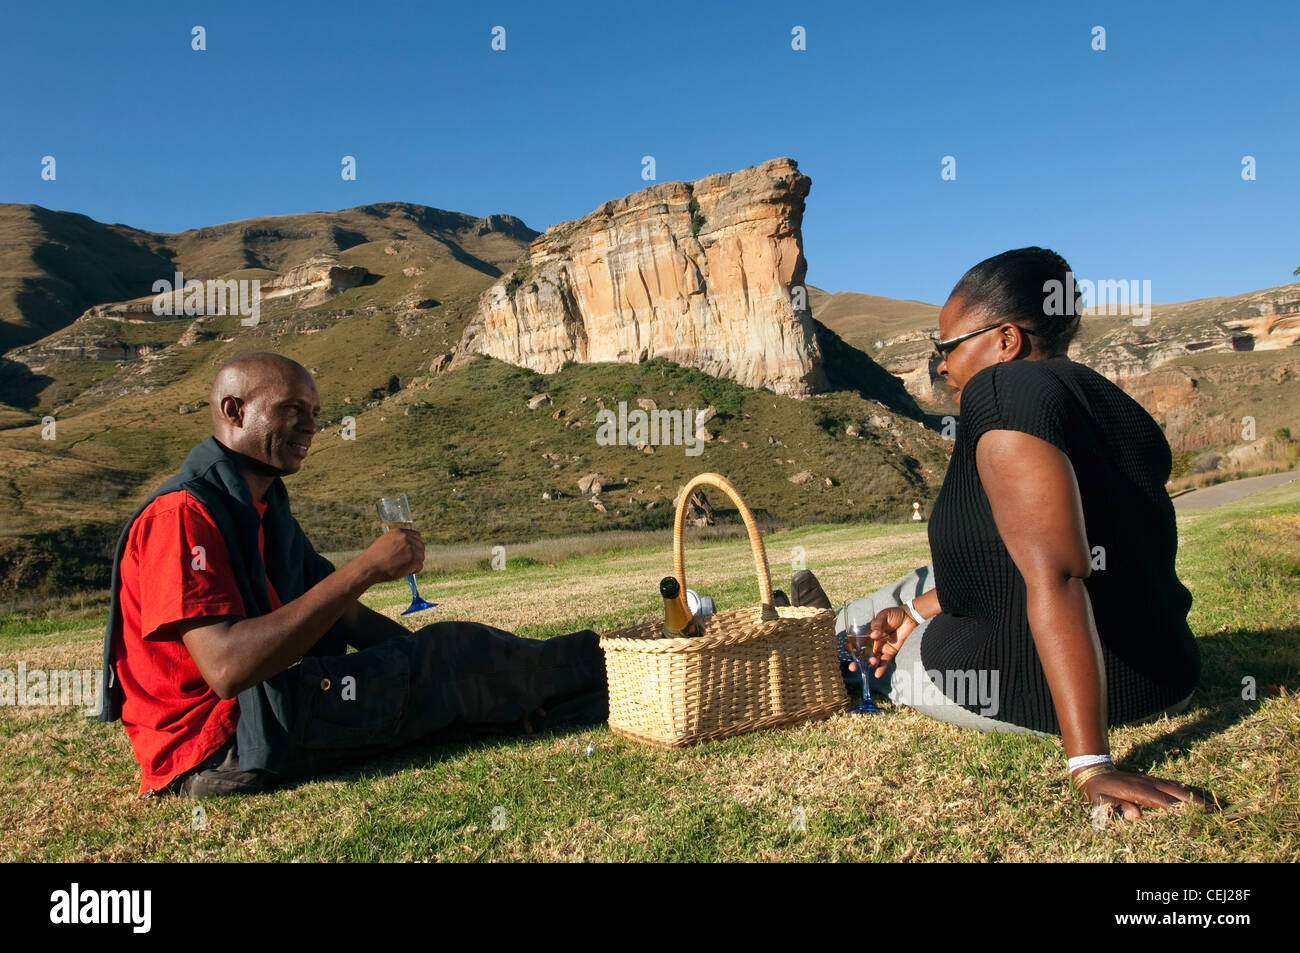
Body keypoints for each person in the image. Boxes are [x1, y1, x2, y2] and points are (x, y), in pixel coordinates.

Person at [811, 247, 1212, 821]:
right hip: (1168, 679)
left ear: (1005, 340)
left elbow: (1057, 573)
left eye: (946, 349)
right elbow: (1019, 553)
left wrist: (1092, 766)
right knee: (911, 594)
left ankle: (811, 635)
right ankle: (834, 618)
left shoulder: (1000, 393)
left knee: (863, 652)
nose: (942, 367)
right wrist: (919, 612)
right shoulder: (1114, 405)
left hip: (1036, 690)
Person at [98, 352, 608, 800]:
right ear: (235, 411)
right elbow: (227, 669)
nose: (310, 426)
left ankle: (602, 675)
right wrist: (366, 569)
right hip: (220, 745)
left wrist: (436, 664)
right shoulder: (183, 514)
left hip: (266, 715)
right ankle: (618, 666)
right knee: (454, 660)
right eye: (292, 409)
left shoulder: (263, 506)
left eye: (315, 413)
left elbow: (345, 616)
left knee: (455, 660)